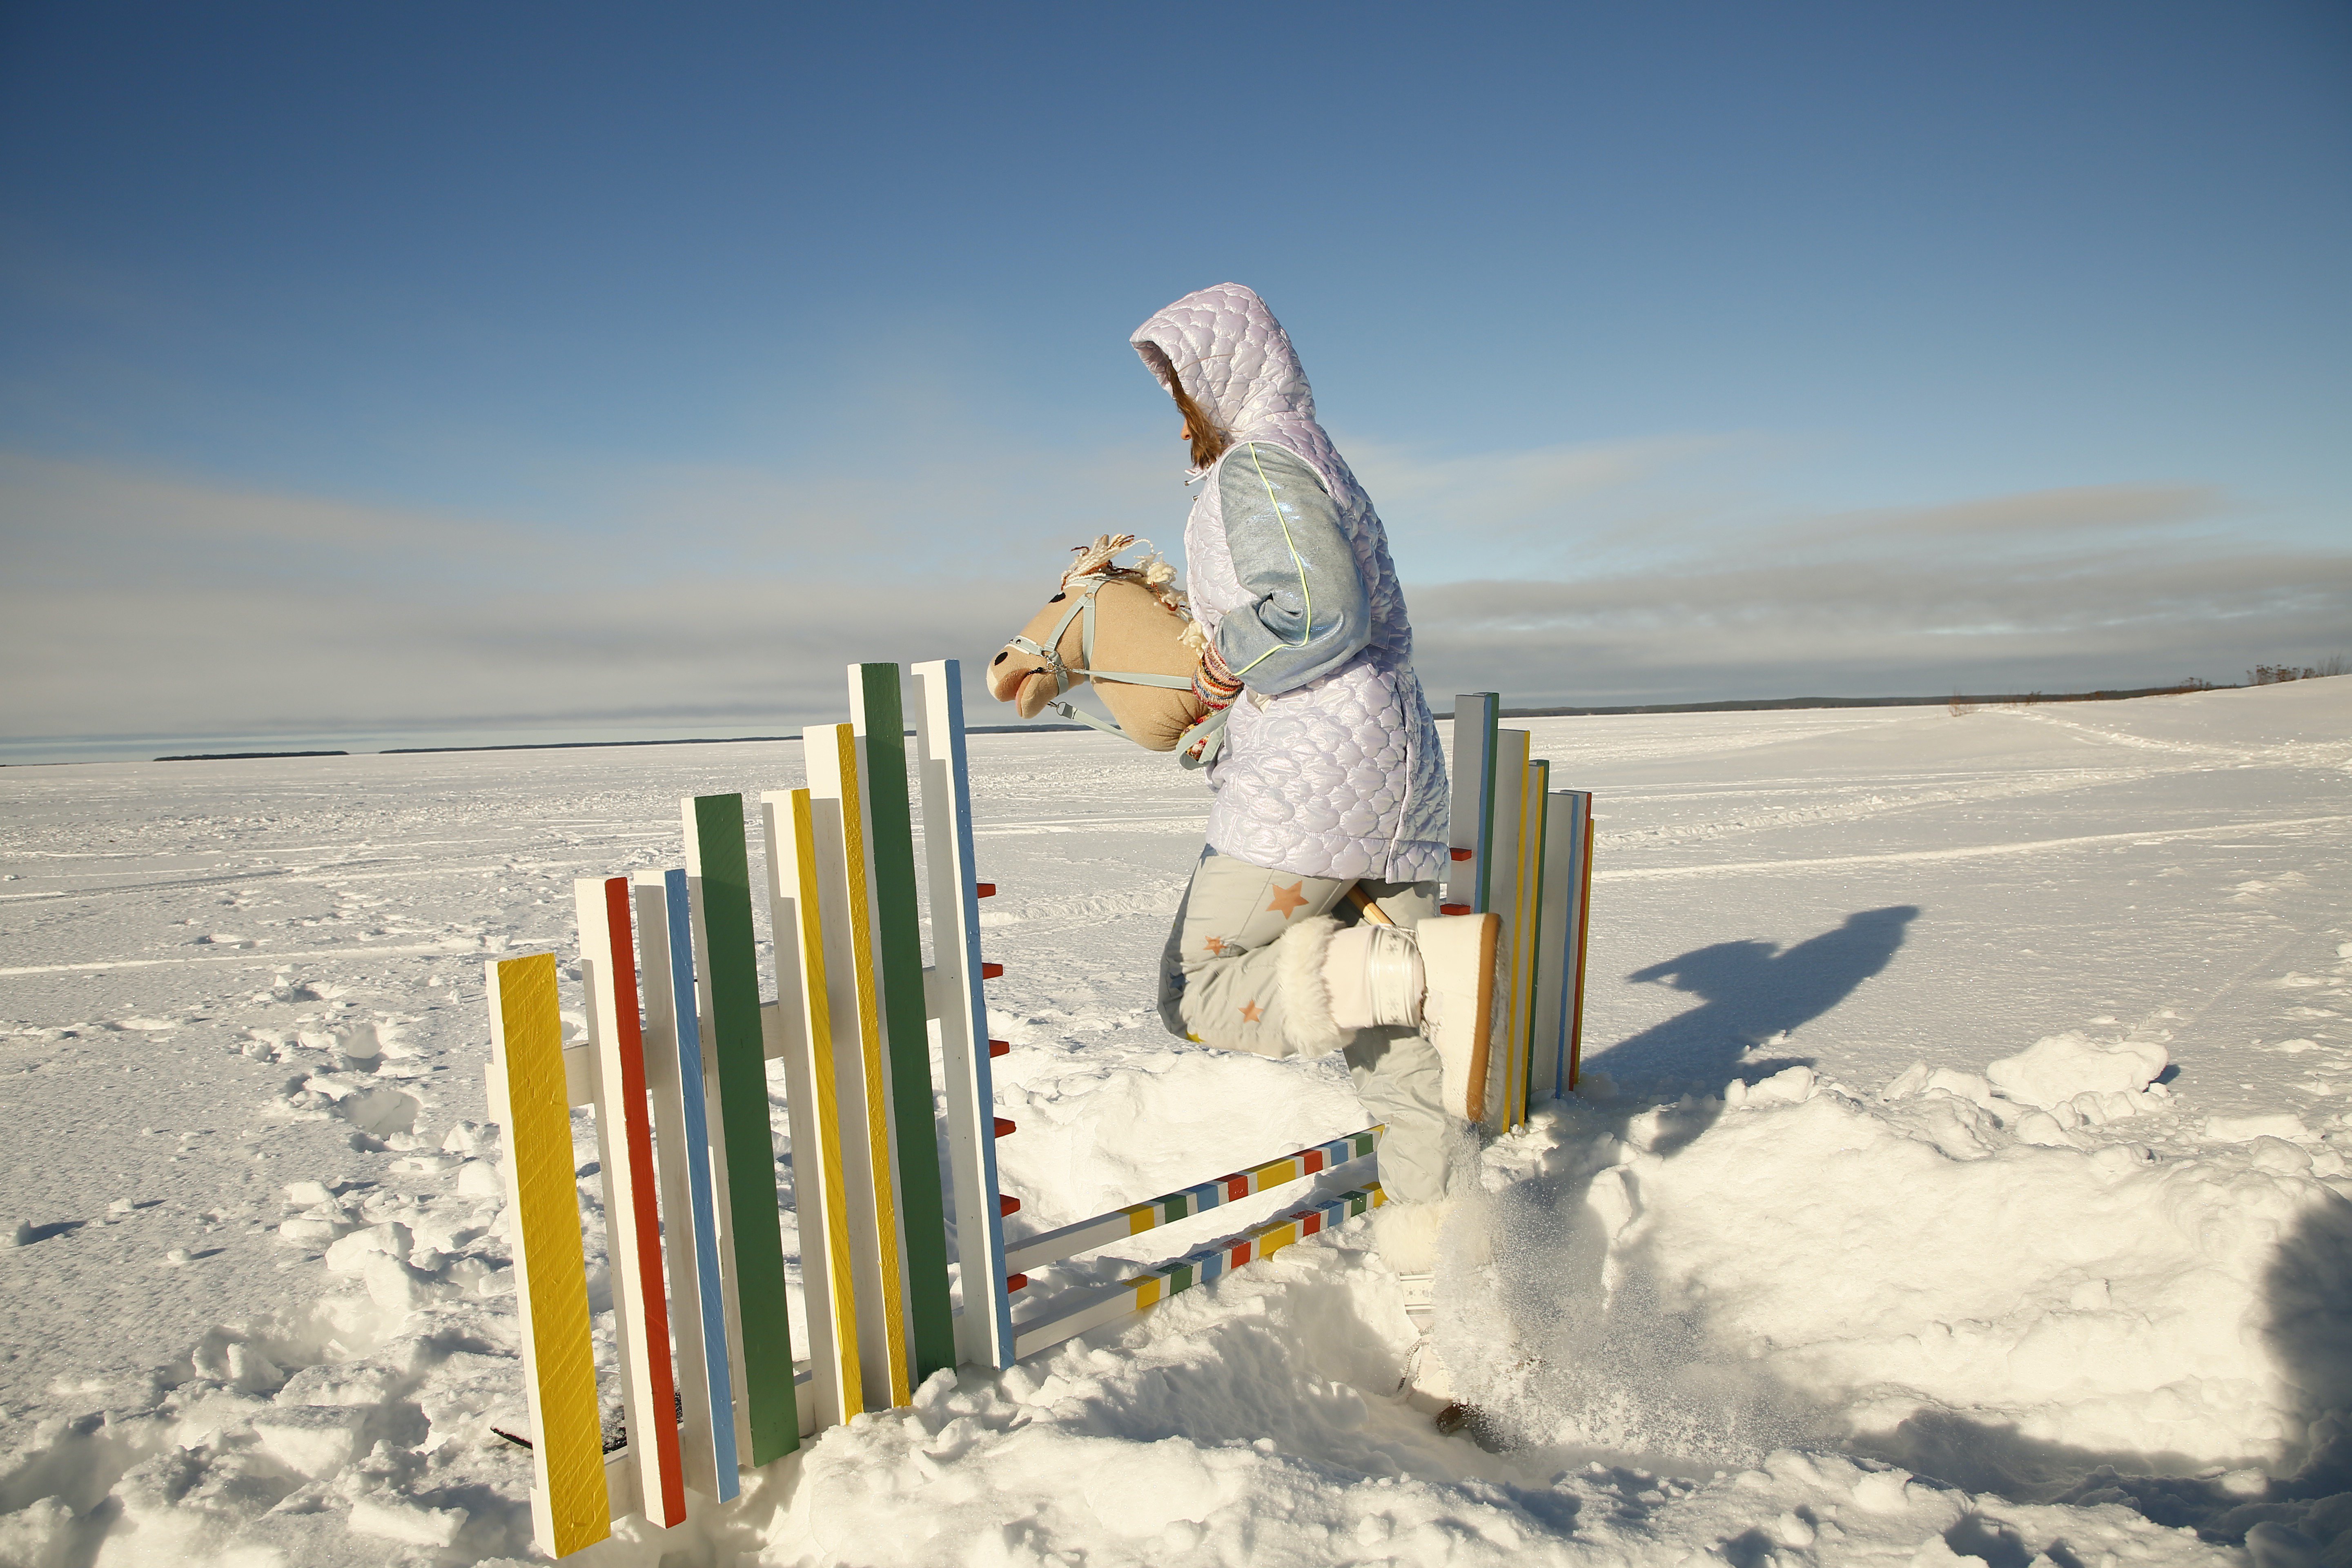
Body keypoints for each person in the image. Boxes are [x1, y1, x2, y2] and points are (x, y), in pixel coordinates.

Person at [1130, 283, 1498, 1420]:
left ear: (1221, 377)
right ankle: (1457, 1349)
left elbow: (1315, 613)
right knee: (1406, 1077)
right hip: (1390, 777)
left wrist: (1223, 666)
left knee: (1195, 987)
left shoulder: (1260, 464)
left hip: (1314, 789)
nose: (1175, 412)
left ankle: (1396, 970)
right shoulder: (1314, 457)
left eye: (1179, 385)